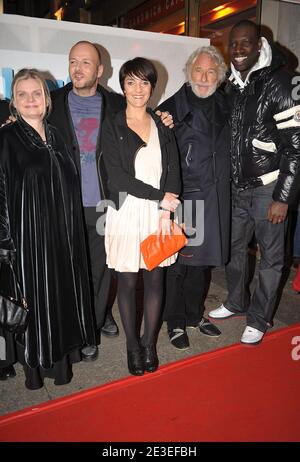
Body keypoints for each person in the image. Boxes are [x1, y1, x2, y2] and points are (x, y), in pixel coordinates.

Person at [49, 41, 174, 360]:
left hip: (106, 203)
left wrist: (164, 119)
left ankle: (97, 326)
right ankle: (81, 327)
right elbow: (27, 116)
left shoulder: (116, 104)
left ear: (99, 70)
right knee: (72, 271)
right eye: (73, 61)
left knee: (103, 273)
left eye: (86, 63)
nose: (78, 68)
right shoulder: (53, 102)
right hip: (67, 201)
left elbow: (165, 157)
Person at [0, 68, 96, 389]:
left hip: (63, 237)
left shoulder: (56, 135)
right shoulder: (6, 139)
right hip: (28, 241)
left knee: (61, 299)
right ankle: (35, 369)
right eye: (23, 94)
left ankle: (62, 365)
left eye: (36, 93)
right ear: (14, 101)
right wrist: (5, 245)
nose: (30, 100)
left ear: (46, 98)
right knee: (36, 304)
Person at [209, 20, 300, 344]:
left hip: (268, 189)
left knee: (272, 259)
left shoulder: (285, 82)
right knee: (233, 250)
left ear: (260, 44)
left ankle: (260, 318)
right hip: (237, 188)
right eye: (233, 44)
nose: (238, 50)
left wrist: (283, 197)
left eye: (245, 43)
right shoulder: (233, 85)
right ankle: (236, 301)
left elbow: (297, 146)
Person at [102, 57, 181, 376]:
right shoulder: (112, 124)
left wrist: (166, 205)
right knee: (127, 282)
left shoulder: (162, 123)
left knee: (155, 280)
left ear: (152, 87)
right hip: (125, 212)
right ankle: (132, 347)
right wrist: (159, 196)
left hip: (158, 215)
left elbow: (174, 168)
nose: (138, 89)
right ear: (122, 86)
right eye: (131, 82)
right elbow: (117, 178)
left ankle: (149, 343)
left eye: (144, 82)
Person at [158, 46, 230, 349]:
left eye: (211, 71)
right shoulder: (170, 108)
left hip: (216, 197)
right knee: (180, 264)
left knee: (203, 265)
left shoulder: (225, 103)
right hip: (187, 197)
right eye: (198, 70)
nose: (204, 77)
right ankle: (174, 321)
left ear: (220, 76)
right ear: (189, 72)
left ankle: (193, 315)